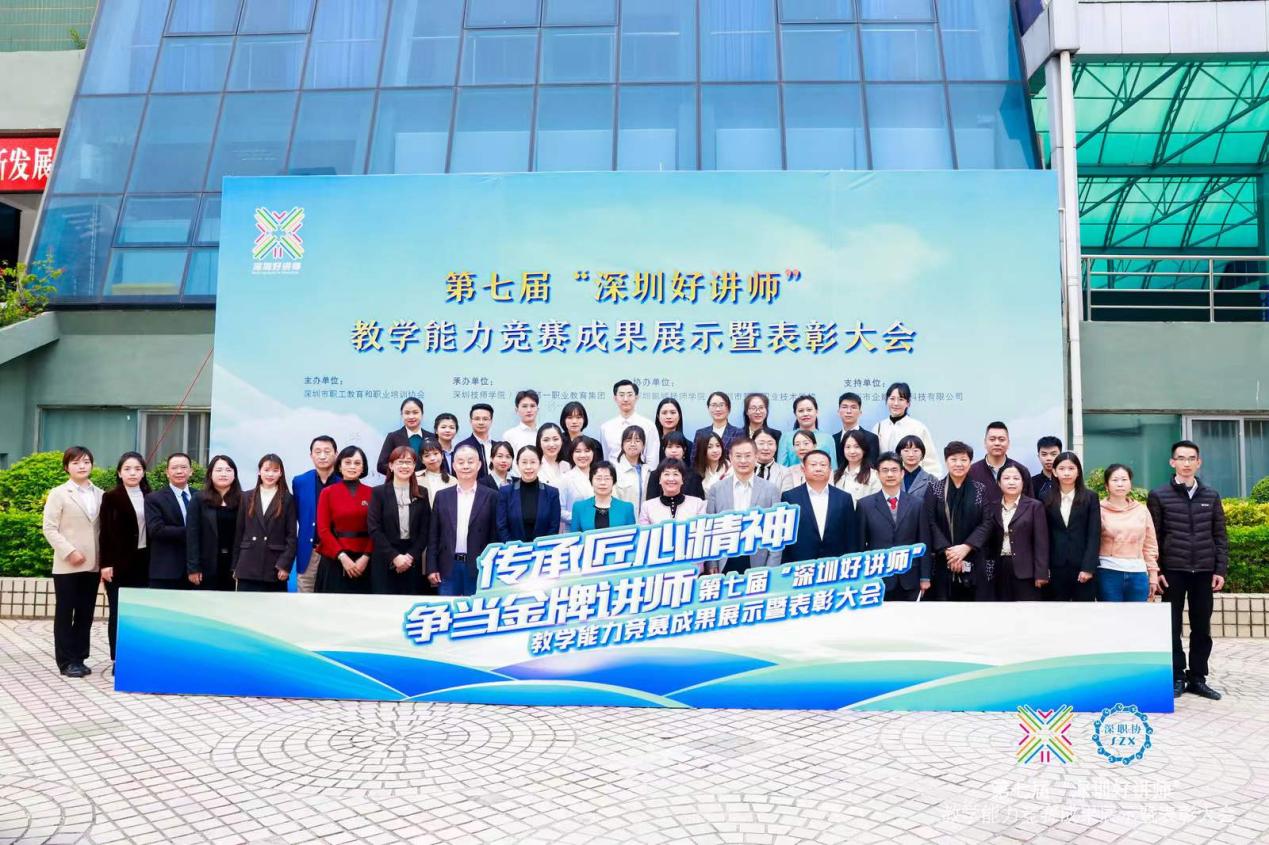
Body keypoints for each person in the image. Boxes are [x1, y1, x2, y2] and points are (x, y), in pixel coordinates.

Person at [1148, 440, 1228, 700]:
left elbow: (1220, 535)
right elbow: (1154, 537)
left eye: (1191, 458)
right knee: (1171, 626)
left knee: (1202, 627)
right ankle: (1176, 676)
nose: (1186, 463)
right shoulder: (1159, 495)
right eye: (1181, 458)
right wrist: (1157, 570)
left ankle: (1197, 677)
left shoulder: (1211, 495)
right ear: (1172, 462)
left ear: (1198, 462)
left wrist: (1220, 569)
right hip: (1173, 571)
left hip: (1204, 570)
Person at [41, 446, 102, 678]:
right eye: (75, 463)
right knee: (66, 613)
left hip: (93, 564)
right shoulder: (59, 493)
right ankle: (66, 662)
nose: (82, 466)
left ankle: (80, 658)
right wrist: (70, 551)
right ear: (67, 467)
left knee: (86, 613)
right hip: (68, 565)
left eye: (86, 461)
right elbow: (49, 528)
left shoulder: (101, 494)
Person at [922, 442, 992, 602]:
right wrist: (951, 553)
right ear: (946, 461)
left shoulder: (980, 489)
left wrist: (966, 547)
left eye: (963, 460)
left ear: (970, 462)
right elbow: (930, 522)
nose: (959, 464)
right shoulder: (934, 488)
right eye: (953, 459)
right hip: (943, 560)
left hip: (973, 557)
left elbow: (987, 522)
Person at [427, 444, 499, 596]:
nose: (466, 466)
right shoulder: (442, 496)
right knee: (447, 607)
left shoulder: (492, 496)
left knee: (474, 607)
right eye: (461, 462)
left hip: (479, 565)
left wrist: (492, 566)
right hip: (448, 565)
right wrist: (432, 567)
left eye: (470, 462)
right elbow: (433, 535)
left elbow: (495, 535)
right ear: (454, 466)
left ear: (479, 465)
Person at [99, 452, 150, 662]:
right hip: (119, 564)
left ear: (143, 472)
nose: (132, 473)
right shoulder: (110, 497)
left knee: (141, 612)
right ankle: (118, 659)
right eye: (127, 469)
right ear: (119, 473)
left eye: (137, 469)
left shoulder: (151, 495)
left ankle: (138, 657)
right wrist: (105, 564)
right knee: (118, 611)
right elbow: (105, 532)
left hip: (145, 561)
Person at [704, 437, 781, 574]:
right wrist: (712, 562)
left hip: (759, 560)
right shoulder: (716, 489)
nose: (743, 461)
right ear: (730, 458)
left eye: (748, 456)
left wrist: (771, 568)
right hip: (725, 558)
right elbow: (710, 528)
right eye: (738, 456)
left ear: (756, 457)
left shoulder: (771, 490)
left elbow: (777, 532)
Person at [859, 452, 929, 600]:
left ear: (902, 473)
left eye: (894, 470)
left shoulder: (917, 504)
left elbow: (924, 541)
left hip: (910, 576)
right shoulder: (865, 505)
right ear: (877, 474)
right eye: (885, 470)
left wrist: (925, 577)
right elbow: (859, 545)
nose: (890, 474)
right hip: (877, 577)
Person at [367, 446, 429, 595]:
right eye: (400, 462)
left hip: (412, 560)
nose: (404, 466)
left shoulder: (422, 493)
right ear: (391, 466)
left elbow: (426, 529)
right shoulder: (378, 493)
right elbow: (374, 529)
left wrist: (410, 557)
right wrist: (394, 556)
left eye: (409, 462)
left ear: (414, 466)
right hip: (384, 558)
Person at [232, 454, 298, 592]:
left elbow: (291, 537)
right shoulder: (246, 497)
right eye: (266, 470)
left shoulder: (287, 499)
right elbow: (239, 533)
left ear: (281, 473)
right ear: (259, 472)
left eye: (275, 470)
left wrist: (285, 565)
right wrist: (235, 566)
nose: (270, 474)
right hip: (247, 564)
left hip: (274, 566)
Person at [780, 450, 859, 563]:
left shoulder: (844, 498)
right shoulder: (790, 497)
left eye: (823, 465)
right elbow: (785, 536)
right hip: (801, 564)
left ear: (830, 470)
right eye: (813, 465)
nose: (818, 468)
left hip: (835, 564)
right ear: (804, 469)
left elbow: (851, 536)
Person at [314, 446, 374, 594]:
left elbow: (377, 529)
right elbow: (323, 530)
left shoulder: (373, 493)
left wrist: (366, 556)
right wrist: (342, 556)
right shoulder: (327, 492)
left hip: (365, 562)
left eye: (357, 463)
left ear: (363, 467)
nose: (352, 466)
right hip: (334, 560)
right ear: (339, 466)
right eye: (347, 462)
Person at [1098, 464, 1159, 603]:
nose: (1120, 484)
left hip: (1138, 574)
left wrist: (1153, 575)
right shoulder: (1098, 509)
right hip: (1108, 572)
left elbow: (1150, 545)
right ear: (1106, 485)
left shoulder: (1141, 510)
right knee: (1111, 615)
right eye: (1115, 480)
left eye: (1124, 479)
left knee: (1136, 615)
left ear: (1130, 484)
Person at [1043, 451, 1099, 602]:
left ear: (1078, 471)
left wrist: (1088, 567)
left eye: (1071, 468)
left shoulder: (1090, 497)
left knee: (1083, 611)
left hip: (1082, 566)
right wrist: (1044, 567)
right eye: (1062, 469)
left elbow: (1094, 534)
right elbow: (1044, 535)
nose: (1066, 473)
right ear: (1054, 472)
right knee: (1056, 611)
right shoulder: (1045, 498)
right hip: (1055, 566)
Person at [989, 466, 1048, 601]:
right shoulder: (992, 506)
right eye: (1006, 478)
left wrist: (1041, 573)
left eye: (1016, 478)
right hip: (999, 568)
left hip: (1026, 570)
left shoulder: (1034, 506)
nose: (1011, 482)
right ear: (999, 483)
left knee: (1026, 609)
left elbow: (1041, 543)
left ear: (1023, 482)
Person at [186, 454, 241, 591]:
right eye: (219, 470)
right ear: (210, 474)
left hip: (235, 564)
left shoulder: (244, 499)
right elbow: (192, 535)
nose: (223, 474)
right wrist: (193, 568)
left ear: (234, 474)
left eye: (228, 470)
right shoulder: (198, 499)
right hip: (207, 564)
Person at [292, 435, 339, 594]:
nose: (322, 456)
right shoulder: (300, 481)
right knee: (305, 596)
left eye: (327, 451)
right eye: (317, 452)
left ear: (336, 454)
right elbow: (298, 515)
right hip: (309, 550)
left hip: (337, 551)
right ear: (311, 455)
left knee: (334, 597)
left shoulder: (343, 481)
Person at [145, 452, 195, 590]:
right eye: (174, 468)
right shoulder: (154, 498)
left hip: (195, 571)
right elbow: (156, 530)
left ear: (191, 471)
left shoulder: (200, 496)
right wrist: (192, 532)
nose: (179, 471)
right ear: (167, 472)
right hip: (166, 571)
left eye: (183, 467)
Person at [496, 446, 561, 542]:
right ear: (517, 465)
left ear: (540, 464)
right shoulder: (505, 492)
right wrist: (513, 547)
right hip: (512, 549)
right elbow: (501, 526)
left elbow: (554, 527)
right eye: (524, 462)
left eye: (533, 462)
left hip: (543, 549)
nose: (528, 467)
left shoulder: (552, 493)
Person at [872, 382, 939, 475]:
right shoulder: (879, 427)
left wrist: (929, 481)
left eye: (901, 399)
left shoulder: (918, 427)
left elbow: (930, 461)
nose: (896, 403)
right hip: (885, 478)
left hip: (912, 480)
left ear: (908, 403)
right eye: (892, 399)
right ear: (886, 400)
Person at [969, 421, 1034, 505]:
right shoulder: (971, 471)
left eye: (1001, 439)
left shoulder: (1021, 471)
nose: (997, 443)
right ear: (985, 443)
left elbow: (1030, 505)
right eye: (992, 439)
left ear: (1008, 443)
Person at [600, 379, 660, 465]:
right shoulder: (606, 427)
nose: (625, 399)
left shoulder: (648, 426)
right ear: (615, 398)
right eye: (621, 395)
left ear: (636, 397)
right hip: (614, 473)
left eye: (630, 395)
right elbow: (606, 457)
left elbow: (652, 459)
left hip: (640, 472)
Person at [376, 396, 434, 477]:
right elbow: (381, 465)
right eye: (407, 413)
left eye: (415, 412)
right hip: (400, 482)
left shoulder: (432, 437)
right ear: (402, 415)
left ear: (422, 414)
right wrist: (403, 473)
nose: (411, 416)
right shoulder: (393, 437)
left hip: (426, 483)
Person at [571, 461, 637, 531]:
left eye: (607, 478)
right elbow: (575, 535)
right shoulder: (579, 507)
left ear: (614, 481)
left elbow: (633, 535)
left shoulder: (626, 508)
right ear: (591, 481)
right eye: (598, 478)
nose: (603, 483)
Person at [638, 459, 707, 525]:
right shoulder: (647, 507)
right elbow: (644, 532)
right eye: (666, 474)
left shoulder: (697, 504)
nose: (671, 479)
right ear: (660, 480)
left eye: (675, 474)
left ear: (682, 480)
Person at [777, 395, 836, 469]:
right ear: (795, 414)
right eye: (801, 411)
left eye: (809, 410)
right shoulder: (786, 437)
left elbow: (833, 468)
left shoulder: (827, 438)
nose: (805, 414)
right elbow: (781, 468)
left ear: (816, 411)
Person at [558, 435, 602, 531]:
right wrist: (581, 518)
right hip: (576, 532)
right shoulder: (565, 478)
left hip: (600, 530)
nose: (582, 455)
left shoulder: (601, 476)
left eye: (587, 451)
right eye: (578, 451)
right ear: (572, 454)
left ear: (593, 453)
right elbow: (559, 511)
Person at [646, 432, 706, 499]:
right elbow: (650, 502)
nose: (674, 451)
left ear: (684, 449)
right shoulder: (655, 475)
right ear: (664, 449)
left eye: (678, 447)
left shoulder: (695, 475)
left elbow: (699, 501)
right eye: (669, 447)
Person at [833, 392, 880, 467]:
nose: (848, 411)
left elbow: (872, 466)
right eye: (844, 407)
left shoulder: (871, 438)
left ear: (860, 412)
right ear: (838, 412)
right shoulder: (833, 439)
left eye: (853, 407)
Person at [833, 431, 881, 503]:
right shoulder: (836, 475)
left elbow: (876, 504)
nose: (852, 451)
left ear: (864, 449)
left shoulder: (874, 476)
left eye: (857, 447)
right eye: (848, 447)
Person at [613, 426, 651, 507]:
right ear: (622, 445)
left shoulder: (648, 471)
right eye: (628, 440)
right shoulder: (614, 470)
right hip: (623, 515)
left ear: (643, 445)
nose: (633, 444)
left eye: (637, 441)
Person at [457, 403, 495, 477]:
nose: (481, 422)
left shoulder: (497, 447)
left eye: (485, 419)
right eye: (477, 419)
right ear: (470, 421)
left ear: (491, 421)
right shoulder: (462, 447)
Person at [897, 435, 936, 500]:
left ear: (922, 454)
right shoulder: (892, 476)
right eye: (906, 451)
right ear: (900, 454)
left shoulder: (931, 480)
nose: (911, 455)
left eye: (915, 451)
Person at [502, 389, 540, 455]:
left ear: (537, 409)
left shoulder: (544, 433)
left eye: (532, 406)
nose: (529, 410)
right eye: (524, 406)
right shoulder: (509, 435)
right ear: (516, 410)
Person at [535, 423, 571, 487]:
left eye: (555, 439)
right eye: (546, 440)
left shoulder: (566, 466)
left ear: (561, 441)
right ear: (539, 443)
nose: (551, 444)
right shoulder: (534, 466)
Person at [655, 397, 689, 462]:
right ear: (658, 416)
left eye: (673, 413)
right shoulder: (652, 444)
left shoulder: (689, 445)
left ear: (679, 416)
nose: (669, 417)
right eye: (664, 413)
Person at [1033, 436, 1063, 500]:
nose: (1049, 458)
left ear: (1061, 455)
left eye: (1053, 454)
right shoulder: (1031, 483)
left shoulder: (1067, 480)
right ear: (1038, 456)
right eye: (1044, 454)